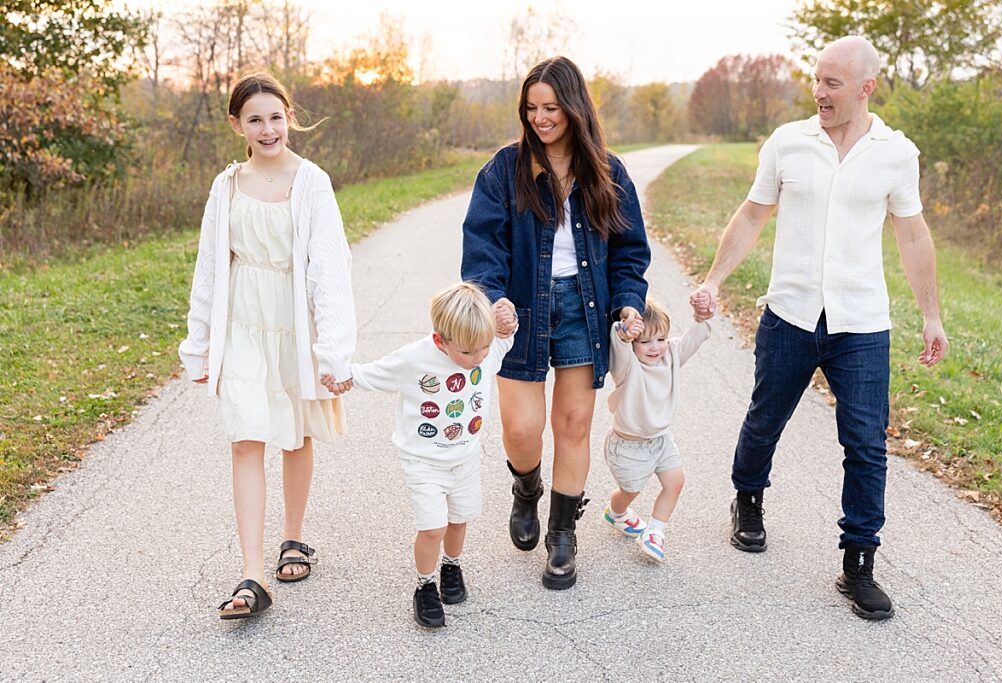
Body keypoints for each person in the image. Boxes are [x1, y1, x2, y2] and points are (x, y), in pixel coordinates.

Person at [689, 36, 949, 620]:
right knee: (765, 419)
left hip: (862, 321)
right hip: (791, 313)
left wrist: (931, 314)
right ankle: (748, 498)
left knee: (865, 443)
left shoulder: (895, 153)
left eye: (832, 82)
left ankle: (859, 560)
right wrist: (713, 279)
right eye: (817, 79)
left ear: (865, 87)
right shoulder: (789, 142)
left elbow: (912, 234)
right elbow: (753, 213)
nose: (819, 91)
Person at [461, 56, 651, 590]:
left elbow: (630, 253)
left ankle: (563, 534)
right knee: (522, 429)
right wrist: (493, 298)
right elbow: (481, 248)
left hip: (585, 309)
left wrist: (628, 302)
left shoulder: (608, 171)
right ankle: (526, 488)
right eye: (531, 108)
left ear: (574, 108)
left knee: (573, 425)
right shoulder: (504, 169)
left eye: (551, 108)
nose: (541, 118)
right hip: (520, 311)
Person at [179, 72, 356, 619]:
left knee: (295, 433)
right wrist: (201, 343)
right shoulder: (225, 185)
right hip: (244, 325)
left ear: (289, 117)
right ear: (237, 125)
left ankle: (293, 537)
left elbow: (330, 268)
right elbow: (211, 267)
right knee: (245, 437)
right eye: (255, 119)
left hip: (294, 321)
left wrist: (333, 352)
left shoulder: (312, 181)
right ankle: (252, 573)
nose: (268, 128)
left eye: (275, 116)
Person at [332, 283, 516, 628]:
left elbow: (504, 338)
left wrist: (507, 320)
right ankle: (425, 584)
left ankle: (452, 565)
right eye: (468, 352)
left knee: (459, 519)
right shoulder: (415, 358)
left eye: (484, 349)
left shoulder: (484, 350)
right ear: (440, 341)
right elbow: (374, 372)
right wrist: (343, 376)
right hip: (423, 461)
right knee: (433, 526)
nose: (478, 358)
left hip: (465, 458)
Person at [601, 297, 711, 562]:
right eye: (645, 341)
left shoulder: (670, 355)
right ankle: (615, 513)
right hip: (629, 446)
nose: (655, 348)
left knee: (675, 482)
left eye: (661, 339)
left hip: (661, 440)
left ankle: (655, 532)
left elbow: (691, 340)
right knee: (630, 491)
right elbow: (618, 343)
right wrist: (625, 331)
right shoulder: (628, 366)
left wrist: (701, 318)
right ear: (633, 343)